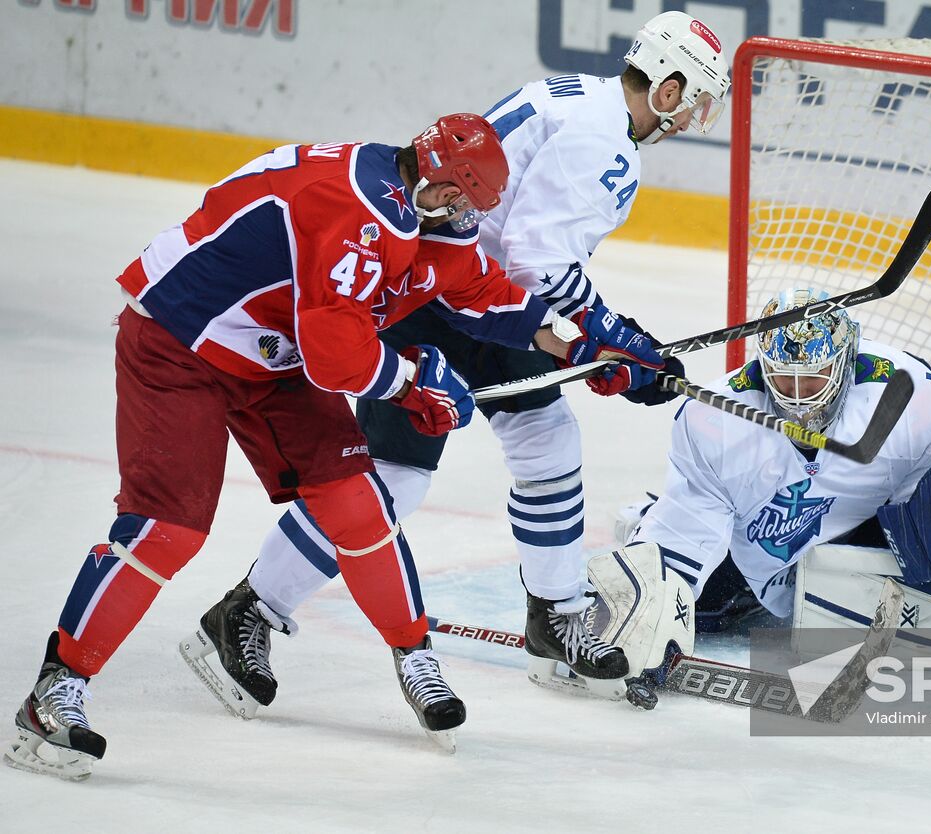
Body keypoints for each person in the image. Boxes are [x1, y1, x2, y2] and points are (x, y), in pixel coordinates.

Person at [4, 113, 662, 780]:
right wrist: (413, 383)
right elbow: (332, 357)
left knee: (360, 507)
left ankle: (415, 660)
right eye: (466, 205)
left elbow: (484, 294)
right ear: (441, 187)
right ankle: (56, 692)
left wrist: (581, 343)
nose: (470, 221)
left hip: (271, 351)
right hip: (181, 336)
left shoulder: (418, 205)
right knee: (166, 528)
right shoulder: (354, 210)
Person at [190, 10, 732, 701]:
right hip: (439, 295)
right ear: (666, 86)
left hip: (481, 294)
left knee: (547, 440)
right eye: (694, 98)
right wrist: (609, 331)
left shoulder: (576, 97)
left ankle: (555, 615)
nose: (692, 116)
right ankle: (248, 609)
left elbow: (520, 254)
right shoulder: (605, 141)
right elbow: (537, 261)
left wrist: (602, 338)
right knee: (393, 476)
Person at [624, 287, 931, 626]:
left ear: (845, 362)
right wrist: (651, 606)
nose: (798, 397)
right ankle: (642, 521)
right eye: (785, 378)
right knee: (700, 612)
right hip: (759, 558)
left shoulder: (909, 395)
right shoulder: (713, 419)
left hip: (864, 534)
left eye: (814, 377)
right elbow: (689, 520)